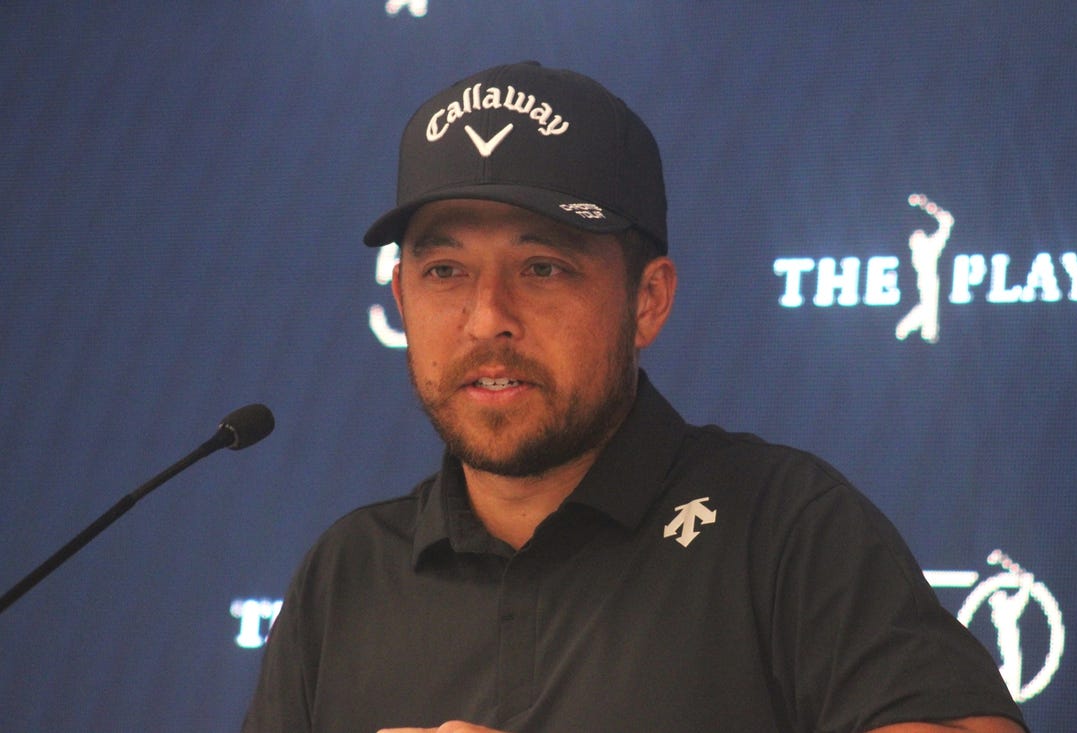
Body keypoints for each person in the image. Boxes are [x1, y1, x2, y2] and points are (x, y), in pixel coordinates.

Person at [242, 62, 1028, 733]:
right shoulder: (344, 576)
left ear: (647, 300)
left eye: (542, 267)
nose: (487, 319)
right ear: (401, 296)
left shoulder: (783, 524)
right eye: (444, 271)